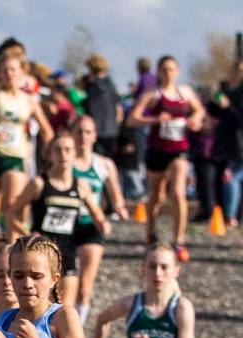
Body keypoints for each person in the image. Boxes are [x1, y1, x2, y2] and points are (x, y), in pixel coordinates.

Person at [7, 132, 110, 303]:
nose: (63, 155)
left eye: (68, 150)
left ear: (74, 153)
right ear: (50, 154)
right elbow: (12, 213)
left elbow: (97, 213)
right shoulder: (39, 183)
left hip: (67, 250)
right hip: (40, 250)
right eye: (58, 150)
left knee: (64, 306)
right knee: (39, 303)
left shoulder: (81, 186)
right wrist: (27, 233)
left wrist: (102, 223)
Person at [128, 55, 205, 262]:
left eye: (172, 69)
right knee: (156, 194)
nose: (168, 73)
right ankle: (151, 232)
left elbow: (199, 111)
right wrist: (153, 118)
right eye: (164, 69)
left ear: (177, 71)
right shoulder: (153, 94)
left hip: (179, 149)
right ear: (158, 72)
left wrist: (195, 120)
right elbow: (132, 119)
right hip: (157, 149)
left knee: (178, 192)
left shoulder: (185, 92)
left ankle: (178, 241)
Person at [0, 54, 54, 228]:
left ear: (21, 73)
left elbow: (46, 129)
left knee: (12, 205)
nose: (8, 74)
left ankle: (11, 243)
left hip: (15, 156)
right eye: (4, 70)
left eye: (12, 69)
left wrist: (50, 153)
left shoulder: (29, 100)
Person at [70, 115, 128, 322]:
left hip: (92, 226)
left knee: (85, 286)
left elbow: (116, 196)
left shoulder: (104, 165)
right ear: (72, 134)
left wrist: (120, 209)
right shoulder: (64, 161)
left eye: (88, 132)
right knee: (65, 283)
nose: (83, 137)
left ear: (95, 136)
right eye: (79, 132)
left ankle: (78, 328)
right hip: (66, 226)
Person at [82, 55, 122, 159]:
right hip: (112, 131)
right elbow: (119, 110)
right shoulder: (111, 85)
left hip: (98, 131)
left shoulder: (93, 86)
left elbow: (90, 108)